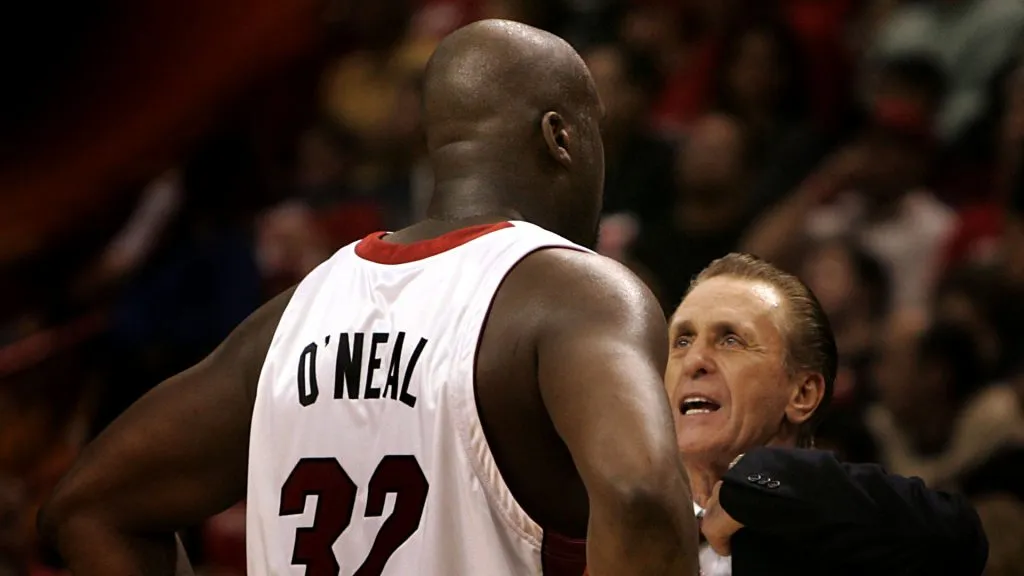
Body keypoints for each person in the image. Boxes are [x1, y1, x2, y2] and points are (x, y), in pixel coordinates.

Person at [36, 20, 699, 576]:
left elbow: (87, 508)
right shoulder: (577, 291)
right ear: (562, 137)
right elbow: (640, 495)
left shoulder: (295, 315)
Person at [668, 253, 988, 576]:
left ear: (802, 394)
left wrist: (762, 477)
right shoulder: (634, 536)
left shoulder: (844, 530)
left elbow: (959, 539)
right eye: (682, 340)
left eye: (731, 340)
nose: (694, 360)